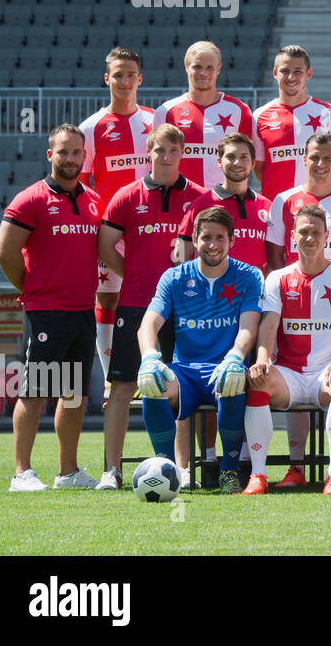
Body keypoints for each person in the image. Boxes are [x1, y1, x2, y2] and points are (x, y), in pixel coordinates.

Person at [96, 123, 206, 489]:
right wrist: (135, 274)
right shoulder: (127, 196)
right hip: (136, 305)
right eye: (160, 150)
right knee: (124, 386)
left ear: (183, 153)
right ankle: (111, 470)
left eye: (174, 150)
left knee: (184, 387)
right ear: (149, 152)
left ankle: (183, 469)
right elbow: (105, 245)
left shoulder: (201, 197)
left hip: (187, 309)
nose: (167, 157)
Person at [0, 125, 104, 491]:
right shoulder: (31, 199)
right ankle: (21, 473)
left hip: (81, 312)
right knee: (35, 391)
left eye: (77, 152)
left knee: (73, 394)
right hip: (45, 312)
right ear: (50, 155)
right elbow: (4, 251)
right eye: (63, 152)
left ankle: (68, 472)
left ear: (84, 155)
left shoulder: (93, 200)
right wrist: (29, 287)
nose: (71, 159)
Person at [134, 207, 262, 493]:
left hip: (224, 366)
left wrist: (234, 356)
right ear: (194, 239)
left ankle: (229, 471)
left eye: (220, 238)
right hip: (185, 372)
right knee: (152, 382)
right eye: (206, 237)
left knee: (233, 379)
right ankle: (167, 471)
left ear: (232, 240)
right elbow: (148, 325)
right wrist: (149, 358)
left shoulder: (248, 277)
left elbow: (248, 328)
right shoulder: (174, 277)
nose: (213, 245)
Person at [243, 205, 331, 495]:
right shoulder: (277, 278)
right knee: (258, 380)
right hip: (290, 373)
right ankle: (258, 475)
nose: (309, 238)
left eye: (315, 233)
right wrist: (261, 360)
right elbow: (269, 325)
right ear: (292, 237)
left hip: (326, 371)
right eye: (303, 232)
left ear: (326, 237)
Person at [78, 47, 153, 394]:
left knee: (158, 299)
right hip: (110, 231)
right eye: (117, 75)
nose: (124, 81)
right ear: (107, 78)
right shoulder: (91, 128)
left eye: (130, 75)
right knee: (107, 300)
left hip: (151, 229)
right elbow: (80, 186)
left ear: (140, 78)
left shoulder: (155, 122)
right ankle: (113, 377)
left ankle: (156, 370)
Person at [265, 132, 331, 274]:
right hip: (296, 292)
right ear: (305, 160)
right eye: (314, 158)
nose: (320, 164)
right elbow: (275, 256)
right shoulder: (283, 201)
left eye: (327, 159)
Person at [151, 40, 253, 188]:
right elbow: (157, 163)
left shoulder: (239, 110)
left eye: (209, 67)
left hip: (223, 203)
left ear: (218, 69)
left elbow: (247, 162)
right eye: (197, 67)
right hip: (180, 202)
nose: (203, 73)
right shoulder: (166, 112)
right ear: (186, 67)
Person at [252, 45, 331, 203]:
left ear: (308, 74)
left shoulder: (329, 113)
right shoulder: (259, 116)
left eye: (298, 71)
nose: (290, 77)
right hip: (276, 206)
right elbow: (260, 168)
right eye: (284, 71)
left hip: (319, 209)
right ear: (275, 73)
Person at [178, 133, 272, 272]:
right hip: (211, 291)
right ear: (219, 162)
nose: (237, 163)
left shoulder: (267, 206)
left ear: (253, 163)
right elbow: (180, 254)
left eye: (243, 157)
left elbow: (274, 258)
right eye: (230, 157)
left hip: (254, 291)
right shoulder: (201, 205)